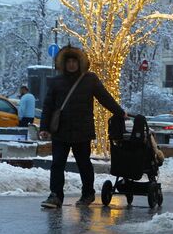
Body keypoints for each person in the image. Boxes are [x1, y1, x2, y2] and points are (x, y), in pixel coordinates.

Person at [38, 46, 126, 208]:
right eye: (68, 61)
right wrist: (44, 127)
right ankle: (55, 196)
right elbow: (48, 106)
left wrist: (120, 112)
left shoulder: (90, 79)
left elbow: (104, 98)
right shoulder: (57, 81)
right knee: (57, 164)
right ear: (64, 64)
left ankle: (88, 194)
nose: (71, 64)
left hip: (82, 131)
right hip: (61, 131)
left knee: (83, 164)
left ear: (80, 63)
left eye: (74, 61)